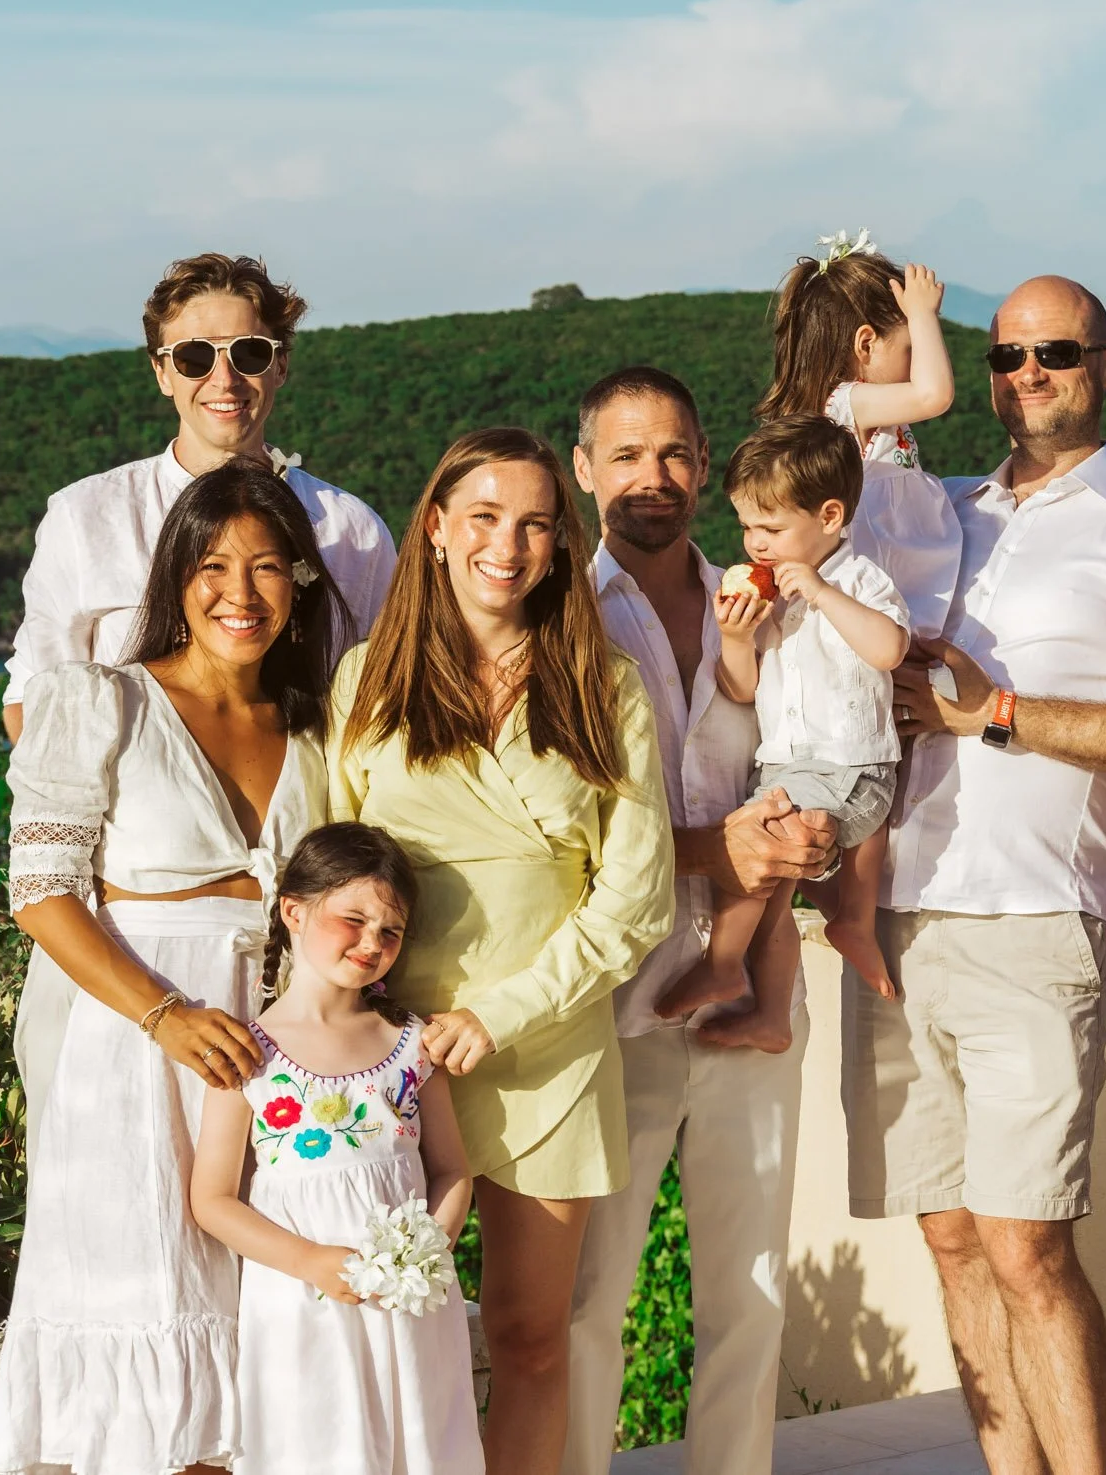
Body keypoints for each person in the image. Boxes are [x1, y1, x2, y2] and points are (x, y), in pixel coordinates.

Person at [863, 275, 1106, 1475]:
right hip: (899, 917)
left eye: (1056, 352)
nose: (1028, 374)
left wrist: (1001, 713)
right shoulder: (932, 510)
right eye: (1007, 356)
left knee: (1027, 1247)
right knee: (955, 1241)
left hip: (1034, 922)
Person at [325, 426, 673, 1475]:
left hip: (549, 1053)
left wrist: (503, 1013)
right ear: (435, 526)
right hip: (389, 1060)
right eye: (483, 516)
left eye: (533, 523)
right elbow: (329, 871)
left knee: (528, 1335)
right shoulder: (364, 680)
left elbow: (637, 893)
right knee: (386, 1331)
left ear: (561, 544)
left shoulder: (602, 684)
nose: (507, 544)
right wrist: (365, 1027)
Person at [0, 458, 339, 1475]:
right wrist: (164, 1015)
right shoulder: (101, 701)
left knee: (252, 1363)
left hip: (271, 1059)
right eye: (215, 564)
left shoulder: (313, 727)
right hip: (131, 1051)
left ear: (301, 582)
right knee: (146, 1343)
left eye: (270, 566)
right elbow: (42, 892)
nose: (241, 591)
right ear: (176, 574)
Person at [562, 367, 841, 1475]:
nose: (654, 477)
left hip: (748, 979)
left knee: (752, 1288)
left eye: (675, 453)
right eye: (625, 455)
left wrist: (816, 837)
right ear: (583, 469)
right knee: (594, 1293)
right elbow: (555, 825)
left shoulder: (762, 596)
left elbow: (821, 747)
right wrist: (708, 851)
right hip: (606, 992)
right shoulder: (558, 613)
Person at [2, 252, 396, 742]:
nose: (224, 379)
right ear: (162, 374)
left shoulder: (351, 531)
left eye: (249, 353)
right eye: (195, 357)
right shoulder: (86, 519)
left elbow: (385, 696)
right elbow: (33, 701)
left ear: (281, 366)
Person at [191, 823, 483, 1475]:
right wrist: (311, 1260)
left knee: (421, 1444)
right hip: (301, 1305)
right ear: (294, 909)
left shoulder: (413, 1042)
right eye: (353, 918)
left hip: (409, 1308)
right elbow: (212, 1199)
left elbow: (452, 1170)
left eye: (391, 930)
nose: (371, 942)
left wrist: (428, 1248)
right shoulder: (247, 1052)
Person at [758, 233, 965, 993]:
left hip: (874, 615)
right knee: (866, 758)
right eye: (906, 343)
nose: (917, 357)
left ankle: (853, 908)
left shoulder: (858, 416)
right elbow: (938, 394)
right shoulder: (843, 405)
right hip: (852, 618)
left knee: (886, 757)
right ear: (867, 343)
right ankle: (843, 904)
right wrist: (924, 310)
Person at [657, 415, 910, 1026]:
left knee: (759, 848)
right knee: (768, 891)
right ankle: (772, 1014)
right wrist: (736, 636)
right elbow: (740, 689)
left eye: (771, 528)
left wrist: (823, 593)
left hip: (847, 766)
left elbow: (888, 650)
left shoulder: (858, 579)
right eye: (746, 527)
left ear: (828, 518)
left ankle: (722, 963)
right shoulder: (771, 598)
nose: (755, 544)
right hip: (787, 767)